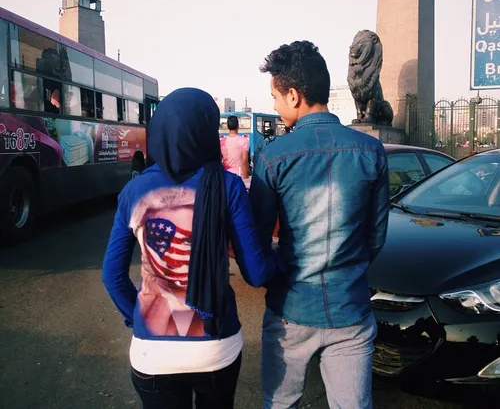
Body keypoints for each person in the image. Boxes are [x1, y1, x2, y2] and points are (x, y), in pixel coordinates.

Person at [102, 88, 283, 409]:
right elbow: (256, 273)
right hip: (214, 346)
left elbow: (112, 275)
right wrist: (283, 260)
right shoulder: (227, 186)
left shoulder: (133, 191)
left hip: (152, 354)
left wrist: (139, 318)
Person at [249, 41, 390, 409]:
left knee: (281, 404)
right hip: (351, 312)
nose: (276, 107)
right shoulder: (370, 150)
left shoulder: (273, 156)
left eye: (276, 97)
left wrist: (279, 267)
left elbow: (258, 243)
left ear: (294, 95)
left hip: (290, 311)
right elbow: (375, 238)